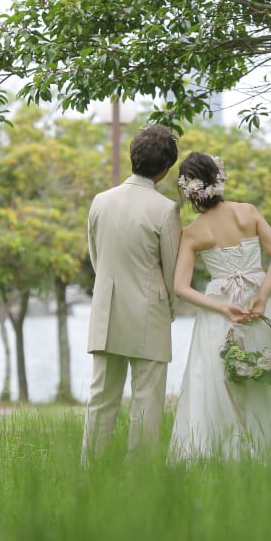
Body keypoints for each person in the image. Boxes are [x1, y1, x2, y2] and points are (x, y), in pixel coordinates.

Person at [169, 152, 271, 462]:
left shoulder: (193, 233)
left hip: (220, 308)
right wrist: (263, 294)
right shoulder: (248, 212)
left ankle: (227, 452)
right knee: (268, 371)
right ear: (219, 178)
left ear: (189, 191)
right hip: (259, 301)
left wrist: (221, 307)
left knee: (217, 377)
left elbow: (180, 288)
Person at [81, 124, 182, 463]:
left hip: (105, 312)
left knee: (101, 400)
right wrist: (170, 307)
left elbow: (97, 258)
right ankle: (139, 481)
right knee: (147, 402)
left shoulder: (100, 201)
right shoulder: (166, 209)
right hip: (149, 313)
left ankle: (89, 474)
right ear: (165, 169)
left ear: (132, 157)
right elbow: (173, 270)